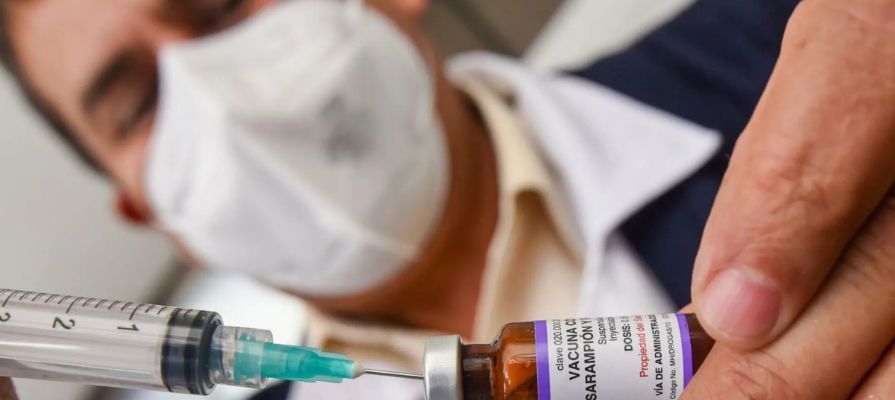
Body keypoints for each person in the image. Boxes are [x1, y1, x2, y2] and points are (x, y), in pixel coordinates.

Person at [0, 1, 893, 400]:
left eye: (223, 5)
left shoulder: (803, 46)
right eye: (138, 106)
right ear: (154, 216)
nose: (215, 101)